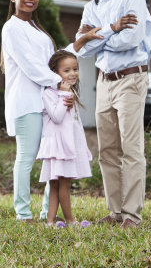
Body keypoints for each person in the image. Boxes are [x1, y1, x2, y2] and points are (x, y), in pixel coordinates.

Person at [68, 0, 151, 228]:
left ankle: (132, 214)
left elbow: (131, 39)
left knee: (131, 148)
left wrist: (96, 36)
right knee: (107, 151)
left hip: (131, 78)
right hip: (104, 82)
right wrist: (111, 28)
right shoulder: (90, 6)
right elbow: (81, 51)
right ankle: (115, 211)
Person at [0, 0, 99, 222]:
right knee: (27, 157)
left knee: (53, 158)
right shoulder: (11, 28)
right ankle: (23, 213)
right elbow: (32, 67)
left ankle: (48, 213)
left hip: (48, 103)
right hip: (26, 103)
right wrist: (62, 85)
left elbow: (56, 61)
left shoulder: (37, 30)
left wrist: (82, 40)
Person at [36, 50, 96, 227]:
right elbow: (56, 117)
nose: (73, 74)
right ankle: (69, 220)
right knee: (60, 185)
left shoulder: (70, 93)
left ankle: (51, 221)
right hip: (59, 147)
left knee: (58, 184)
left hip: (69, 146)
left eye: (75, 69)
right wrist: (63, 95)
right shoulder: (50, 93)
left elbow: (75, 125)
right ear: (55, 73)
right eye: (67, 70)